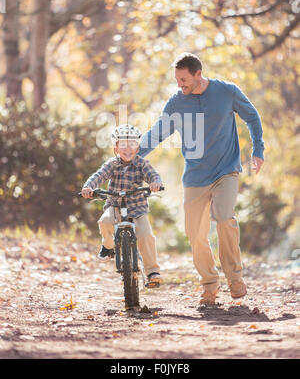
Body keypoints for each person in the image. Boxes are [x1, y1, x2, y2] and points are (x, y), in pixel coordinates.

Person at [138, 52, 264, 304]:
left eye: (183, 79)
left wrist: (257, 150)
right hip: (195, 176)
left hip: (226, 170)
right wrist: (132, 158)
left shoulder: (226, 91)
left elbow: (252, 116)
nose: (179, 84)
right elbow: (157, 133)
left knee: (225, 217)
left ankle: (235, 278)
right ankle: (209, 284)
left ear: (198, 74)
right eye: (177, 79)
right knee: (195, 233)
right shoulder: (176, 103)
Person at [81, 124, 163, 287]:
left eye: (132, 145)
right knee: (105, 222)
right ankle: (108, 245)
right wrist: (89, 187)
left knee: (146, 235)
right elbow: (99, 175)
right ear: (116, 147)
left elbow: (153, 174)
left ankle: (152, 272)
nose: (128, 149)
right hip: (115, 205)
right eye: (123, 145)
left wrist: (155, 183)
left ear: (138, 147)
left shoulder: (141, 163)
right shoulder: (112, 164)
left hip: (137, 208)